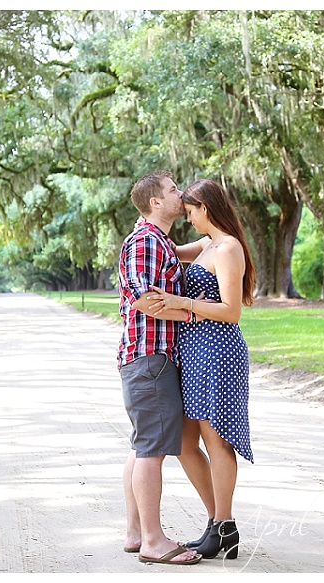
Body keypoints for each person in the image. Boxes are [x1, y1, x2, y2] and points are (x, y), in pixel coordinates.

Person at [145, 179, 256, 560]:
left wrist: (182, 302)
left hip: (218, 352)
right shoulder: (208, 244)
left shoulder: (228, 249)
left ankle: (223, 526)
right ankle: (216, 523)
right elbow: (168, 248)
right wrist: (150, 216)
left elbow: (231, 311)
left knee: (217, 441)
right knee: (184, 442)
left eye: (191, 211)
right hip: (194, 353)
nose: (188, 218)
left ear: (205, 209)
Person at [117, 170, 201, 566]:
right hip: (151, 357)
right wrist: (192, 314)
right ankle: (153, 539)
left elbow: (174, 267)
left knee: (142, 446)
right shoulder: (147, 241)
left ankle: (136, 532)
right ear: (155, 202)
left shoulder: (160, 240)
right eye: (173, 190)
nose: (179, 194)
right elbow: (142, 298)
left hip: (152, 356)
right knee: (152, 450)